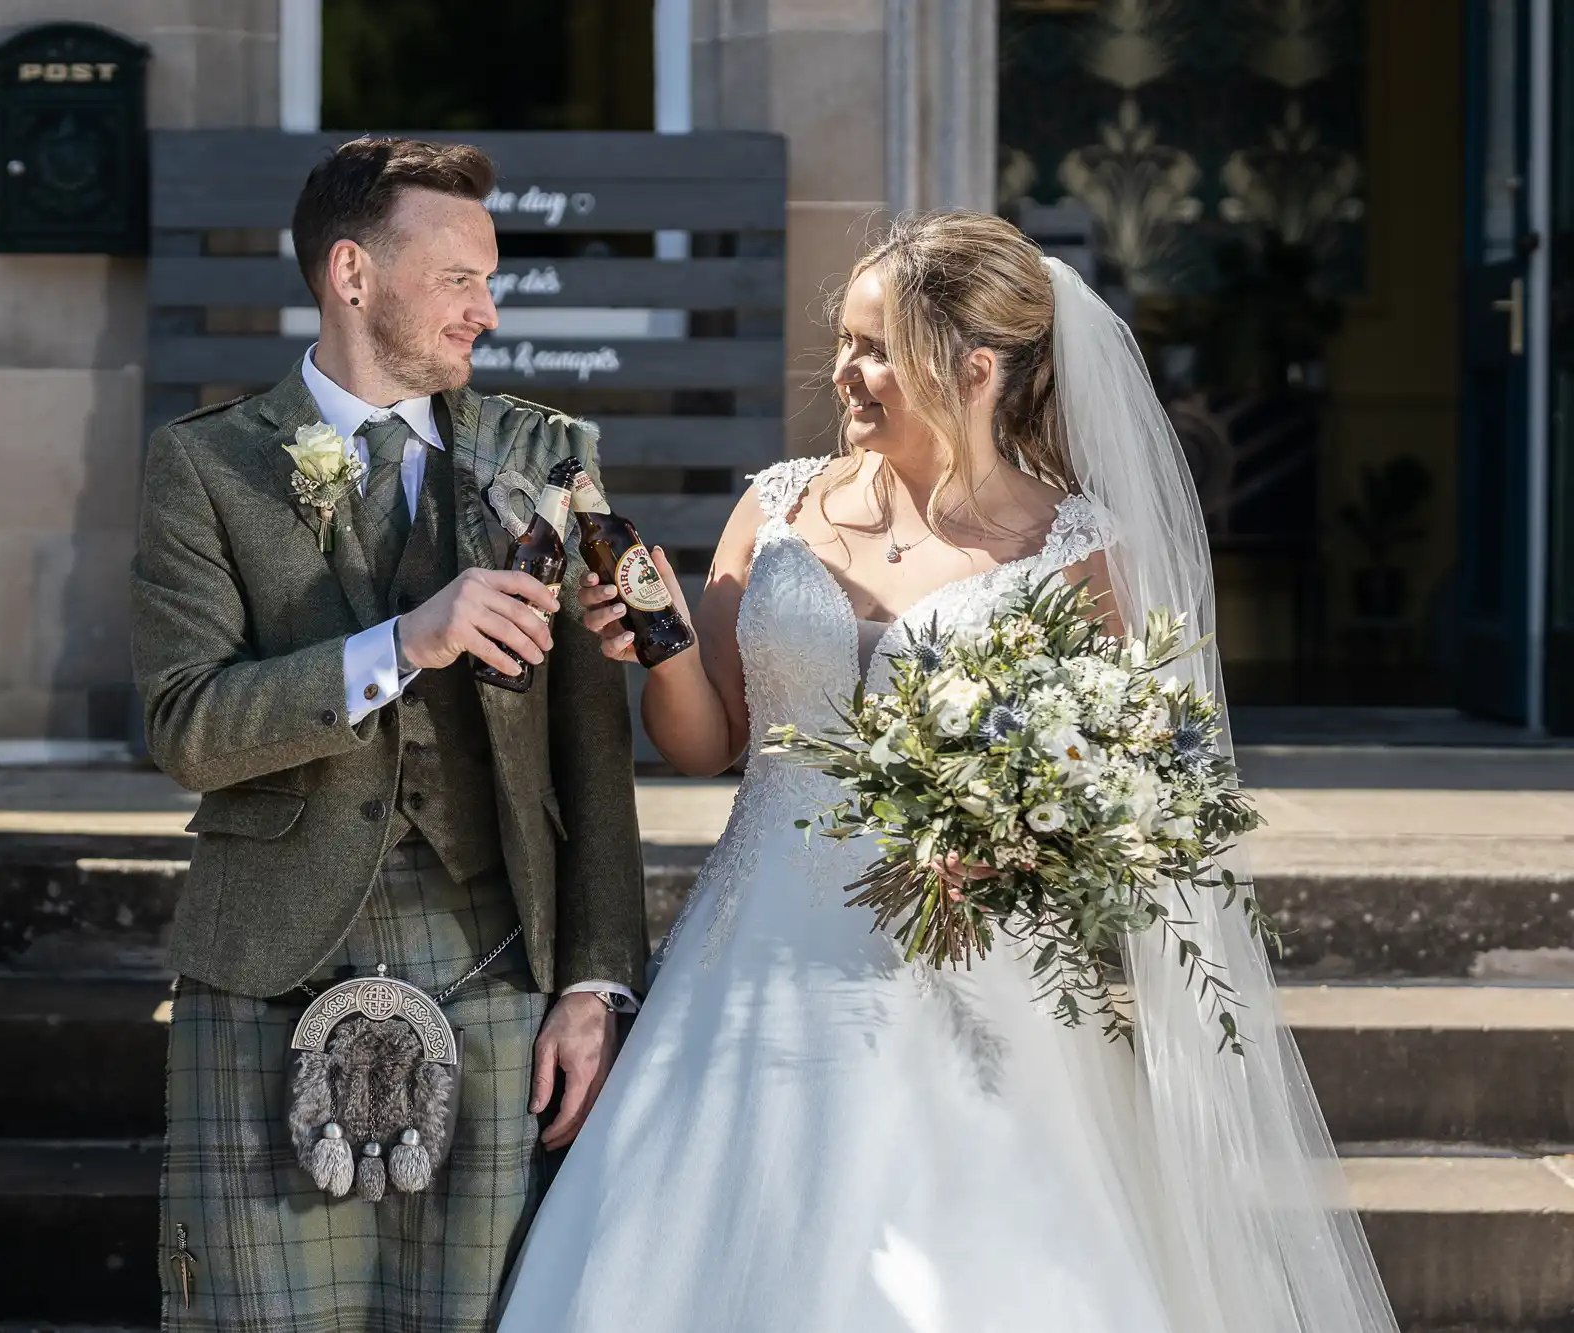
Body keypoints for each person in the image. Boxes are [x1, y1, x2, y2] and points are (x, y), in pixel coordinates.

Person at [496, 211, 1400, 1333]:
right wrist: (665, 647)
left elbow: (1133, 792)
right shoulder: (774, 510)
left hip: (971, 969)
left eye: (874, 348)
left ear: (970, 369)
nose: (842, 371)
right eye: (844, 340)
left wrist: (1018, 843)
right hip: (754, 949)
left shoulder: (1076, 553)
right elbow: (703, 743)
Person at [133, 136, 646, 1333]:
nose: (489, 305)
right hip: (270, 963)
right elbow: (187, 725)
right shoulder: (205, 465)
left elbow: (592, 748)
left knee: (479, 1316)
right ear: (351, 274)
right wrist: (401, 644)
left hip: (495, 955)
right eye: (459, 276)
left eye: (489, 276)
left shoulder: (543, 455)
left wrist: (597, 978)